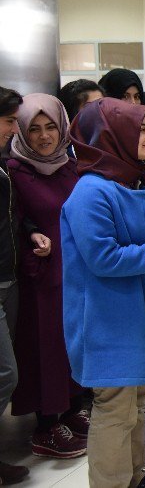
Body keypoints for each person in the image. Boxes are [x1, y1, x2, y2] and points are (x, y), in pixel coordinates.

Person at [62, 98, 145, 488]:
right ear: (111, 136)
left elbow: (136, 237)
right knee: (115, 409)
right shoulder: (90, 192)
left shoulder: (129, 180)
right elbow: (104, 258)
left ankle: (134, 478)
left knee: (134, 405)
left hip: (136, 315)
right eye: (144, 129)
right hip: (107, 321)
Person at [7, 95, 88, 460]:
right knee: (45, 347)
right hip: (42, 275)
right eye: (34, 129)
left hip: (76, 272)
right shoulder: (14, 171)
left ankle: (71, 408)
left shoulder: (71, 165)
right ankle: (45, 424)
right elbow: (12, 222)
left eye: (50, 126)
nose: (43, 137)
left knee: (71, 341)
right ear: (21, 132)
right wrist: (30, 236)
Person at [0, 87, 31, 485]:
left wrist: (31, 232)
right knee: (6, 374)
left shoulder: (6, 163)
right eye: (9, 121)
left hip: (9, 275)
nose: (14, 129)